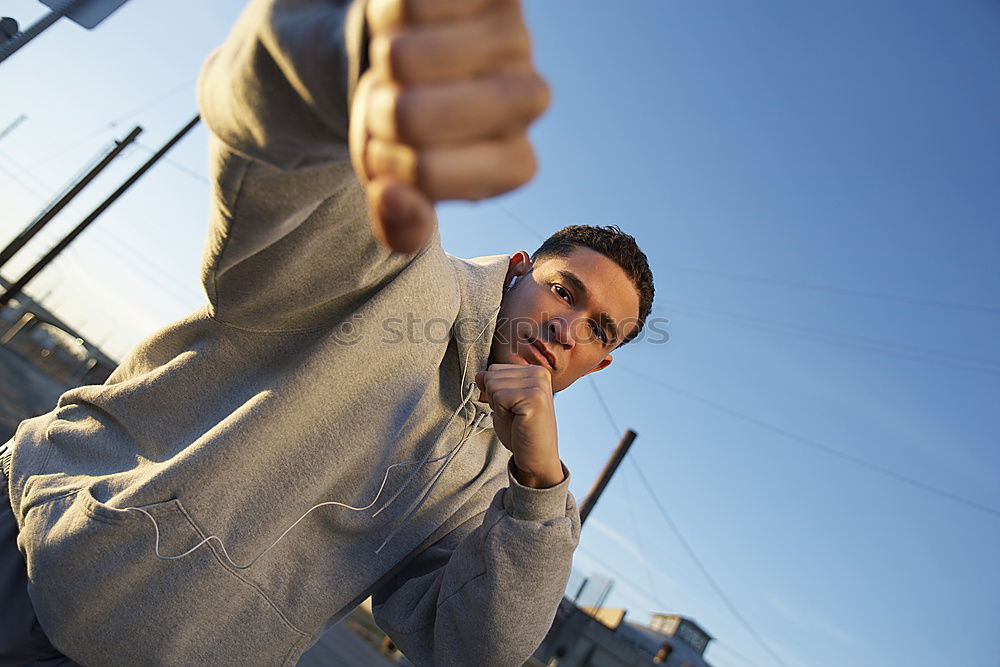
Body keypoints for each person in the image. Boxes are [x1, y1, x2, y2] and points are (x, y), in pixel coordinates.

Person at [0, 0, 655, 664]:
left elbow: (472, 648)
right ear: (517, 271)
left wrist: (541, 484)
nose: (566, 326)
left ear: (599, 362)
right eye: (562, 289)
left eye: (599, 329)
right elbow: (283, 155)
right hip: (39, 550)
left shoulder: (503, 493)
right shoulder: (401, 274)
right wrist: (342, 53)